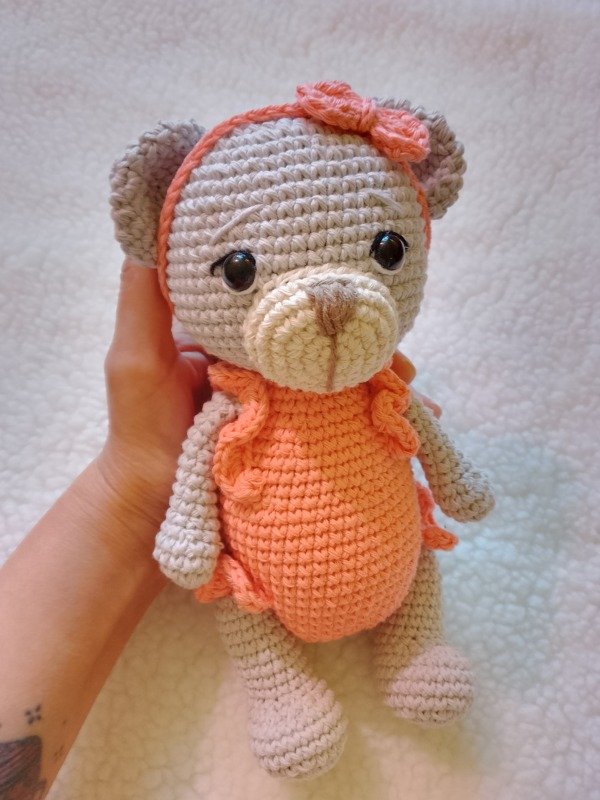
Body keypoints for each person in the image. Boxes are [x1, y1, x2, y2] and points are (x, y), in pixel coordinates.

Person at [0, 260, 438, 797]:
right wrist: (168, 514)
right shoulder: (231, 408)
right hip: (263, 582)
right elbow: (193, 462)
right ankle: (281, 692)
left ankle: (416, 648)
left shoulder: (379, 389)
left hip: (396, 557)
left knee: (419, 545)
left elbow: (434, 444)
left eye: (387, 251)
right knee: (236, 589)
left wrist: (455, 482)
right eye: (238, 269)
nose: (328, 303)